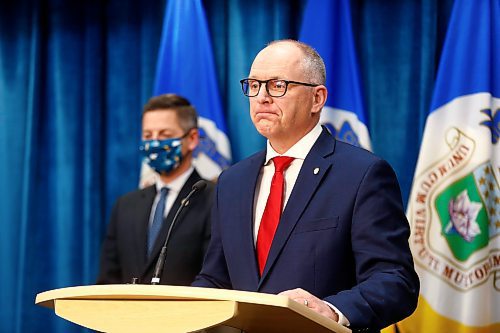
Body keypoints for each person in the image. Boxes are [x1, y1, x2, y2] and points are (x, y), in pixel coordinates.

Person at [193, 40, 419, 331]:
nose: (261, 97)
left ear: (317, 98)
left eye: (277, 85)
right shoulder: (232, 181)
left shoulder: (363, 174)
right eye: (254, 85)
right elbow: (216, 278)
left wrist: (332, 310)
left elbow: (395, 280)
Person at [98, 94, 214, 286]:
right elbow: (107, 280)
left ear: (192, 138)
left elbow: (214, 277)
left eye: (165, 136)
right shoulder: (125, 206)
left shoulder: (215, 199)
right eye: (148, 136)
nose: (154, 143)